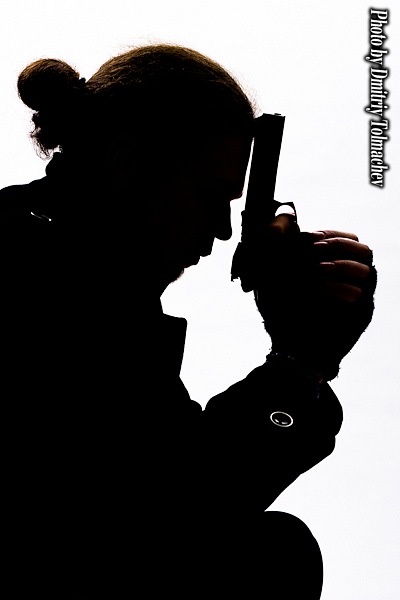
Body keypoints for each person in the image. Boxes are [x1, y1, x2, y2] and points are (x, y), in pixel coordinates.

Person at [1, 44, 376, 599]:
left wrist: (299, 366)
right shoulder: (49, 282)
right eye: (210, 196)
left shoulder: (59, 262)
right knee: (272, 555)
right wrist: (301, 365)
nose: (223, 230)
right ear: (125, 161)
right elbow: (177, 508)